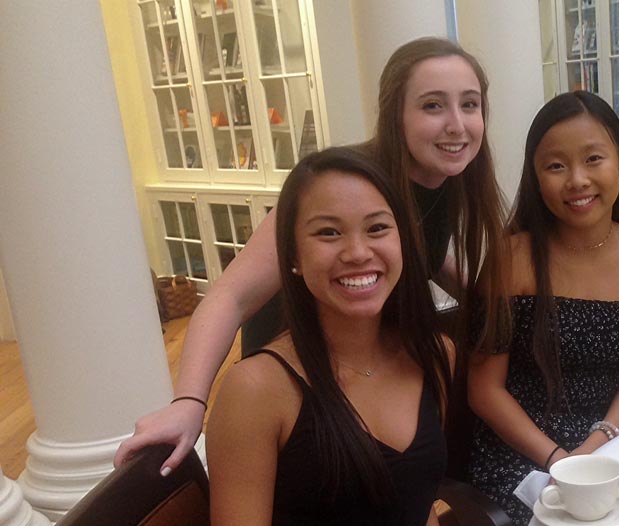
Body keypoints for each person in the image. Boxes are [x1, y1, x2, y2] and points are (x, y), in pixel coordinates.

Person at [115, 37, 506, 476]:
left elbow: (425, 254)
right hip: (299, 380)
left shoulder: (445, 181)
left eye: (469, 105)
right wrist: (189, 402)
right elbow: (231, 296)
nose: (457, 124)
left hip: (359, 365)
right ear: (396, 115)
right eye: (433, 106)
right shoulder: (339, 184)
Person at [208, 147, 482, 526]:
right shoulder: (259, 388)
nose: (358, 252)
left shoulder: (435, 358)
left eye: (377, 228)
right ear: (291, 252)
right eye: (329, 233)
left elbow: (402, 492)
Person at [467, 91, 619, 526]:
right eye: (555, 166)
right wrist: (560, 460)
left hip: (612, 448)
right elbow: (484, 390)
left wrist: (595, 447)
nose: (577, 180)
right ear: (536, 178)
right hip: (523, 455)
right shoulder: (511, 258)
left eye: (593, 159)